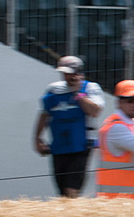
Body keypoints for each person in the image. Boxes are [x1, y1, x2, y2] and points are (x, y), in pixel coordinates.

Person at [34, 55, 104, 197]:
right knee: (62, 192)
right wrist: (37, 138)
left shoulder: (90, 88)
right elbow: (44, 114)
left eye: (71, 73)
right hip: (59, 145)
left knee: (71, 190)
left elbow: (95, 111)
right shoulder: (53, 90)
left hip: (82, 146)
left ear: (79, 73)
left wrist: (77, 94)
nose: (68, 77)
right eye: (65, 73)